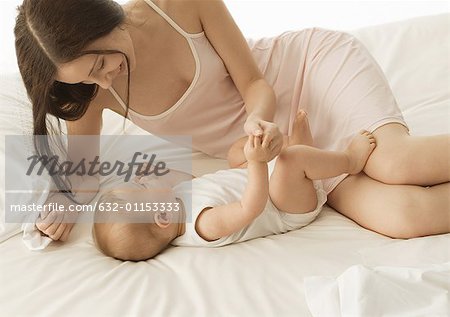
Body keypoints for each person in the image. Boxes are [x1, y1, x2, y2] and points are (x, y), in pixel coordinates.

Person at [15, 0, 449, 242]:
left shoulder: (179, 5)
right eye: (87, 79)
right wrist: (59, 203)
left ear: (101, 20)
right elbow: (84, 177)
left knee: (395, 164)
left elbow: (256, 83)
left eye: (101, 62)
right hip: (281, 156)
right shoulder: (92, 94)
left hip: (307, 76)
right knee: (404, 217)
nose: (103, 79)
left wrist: (257, 124)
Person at [92, 113, 377, 261]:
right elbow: (249, 208)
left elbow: (192, 181)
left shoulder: (175, 202)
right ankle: (349, 160)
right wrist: (256, 163)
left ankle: (298, 149)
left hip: (257, 181)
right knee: (290, 161)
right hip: (284, 207)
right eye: (141, 187)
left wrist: (157, 175)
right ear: (162, 217)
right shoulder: (203, 225)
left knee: (234, 152)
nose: (142, 180)